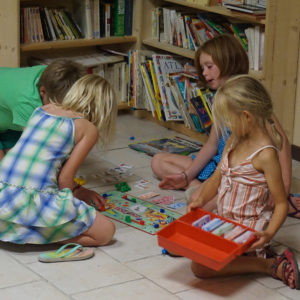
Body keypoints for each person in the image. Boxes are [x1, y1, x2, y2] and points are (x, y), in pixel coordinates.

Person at [151, 34, 297, 216]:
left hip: (242, 174)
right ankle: (199, 185)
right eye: (202, 68)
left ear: (228, 61)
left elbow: (281, 142)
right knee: (158, 161)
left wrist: (283, 186)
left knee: (200, 203)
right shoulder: (220, 99)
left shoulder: (247, 97)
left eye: (209, 66)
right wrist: (187, 175)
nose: (204, 73)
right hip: (220, 166)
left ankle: (209, 190)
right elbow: (212, 144)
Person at [187, 75, 299, 290]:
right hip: (226, 223)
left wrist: (268, 234)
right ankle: (258, 261)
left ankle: (267, 264)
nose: (227, 126)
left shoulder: (265, 154)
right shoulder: (233, 139)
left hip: (248, 232)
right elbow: (217, 177)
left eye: (229, 120)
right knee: (181, 247)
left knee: (199, 268)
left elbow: (281, 203)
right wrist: (200, 199)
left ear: (246, 117)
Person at [0, 74, 117, 246]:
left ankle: (17, 230)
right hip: (29, 200)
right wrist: (76, 198)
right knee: (106, 233)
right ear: (104, 109)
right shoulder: (88, 128)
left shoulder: (41, 109)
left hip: (3, 194)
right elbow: (65, 180)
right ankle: (38, 238)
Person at [0, 59, 86, 161]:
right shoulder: (26, 102)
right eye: (57, 106)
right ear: (42, 92)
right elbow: (36, 148)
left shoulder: (52, 76)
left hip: (8, 116)